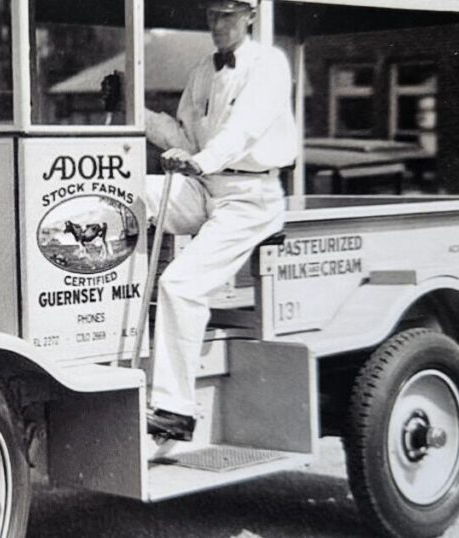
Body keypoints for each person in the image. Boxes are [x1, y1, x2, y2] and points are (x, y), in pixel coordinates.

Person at [139, 0, 297, 441]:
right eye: (212, 14)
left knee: (180, 284)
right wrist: (138, 113)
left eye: (228, 14)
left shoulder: (269, 64)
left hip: (251, 198)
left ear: (249, 15)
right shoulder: (202, 72)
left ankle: (175, 410)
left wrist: (201, 161)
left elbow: (243, 131)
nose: (218, 24)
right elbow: (183, 136)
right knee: (126, 197)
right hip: (207, 186)